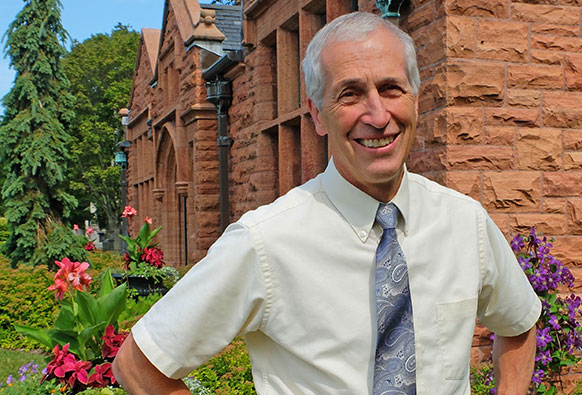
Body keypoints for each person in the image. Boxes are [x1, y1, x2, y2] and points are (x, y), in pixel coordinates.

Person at [113, 11, 541, 395]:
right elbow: (139, 364)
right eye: (350, 94)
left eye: (391, 88)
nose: (377, 115)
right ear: (317, 113)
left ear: (416, 97)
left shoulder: (464, 222)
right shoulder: (264, 243)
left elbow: (519, 322)